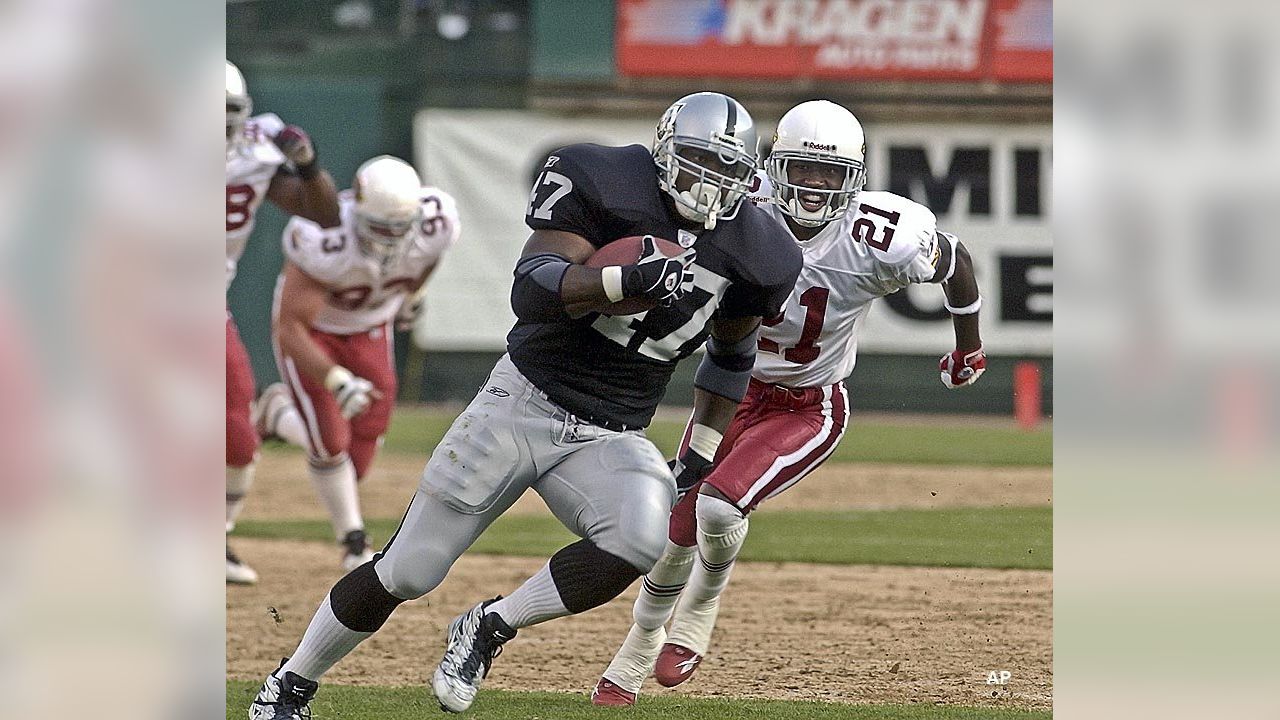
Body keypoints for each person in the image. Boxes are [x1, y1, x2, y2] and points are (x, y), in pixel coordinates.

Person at [248, 91, 803, 719]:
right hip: (522, 401)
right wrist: (618, 281)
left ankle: (490, 625)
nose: (708, 183)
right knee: (409, 571)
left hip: (612, 431)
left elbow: (732, 354)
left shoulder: (764, 251)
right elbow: (531, 288)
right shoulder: (604, 180)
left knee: (640, 539)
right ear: (664, 151)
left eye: (726, 170)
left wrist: (699, 456)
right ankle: (288, 685)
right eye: (698, 161)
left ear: (749, 177)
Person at [591, 99, 987, 706]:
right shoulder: (737, 212)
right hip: (730, 391)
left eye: (830, 174)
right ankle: (634, 652)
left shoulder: (883, 236)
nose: (814, 186)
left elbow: (956, 264)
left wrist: (969, 348)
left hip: (808, 406)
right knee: (677, 523)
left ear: (855, 177)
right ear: (775, 166)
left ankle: (702, 606)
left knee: (718, 510)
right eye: (802, 169)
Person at [263, 155, 461, 570]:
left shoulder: (436, 223)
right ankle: (354, 541)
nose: (389, 239)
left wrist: (411, 297)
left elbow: (426, 260)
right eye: (379, 227)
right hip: (315, 331)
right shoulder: (322, 236)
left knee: (361, 452)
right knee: (330, 443)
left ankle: (280, 415)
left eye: (398, 228)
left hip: (371, 324)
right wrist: (336, 380)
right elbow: (290, 329)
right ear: (356, 211)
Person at [225, 60, 340, 585]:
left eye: (227, 112)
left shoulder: (254, 147)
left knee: (238, 436)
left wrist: (309, 164)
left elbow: (324, 214)